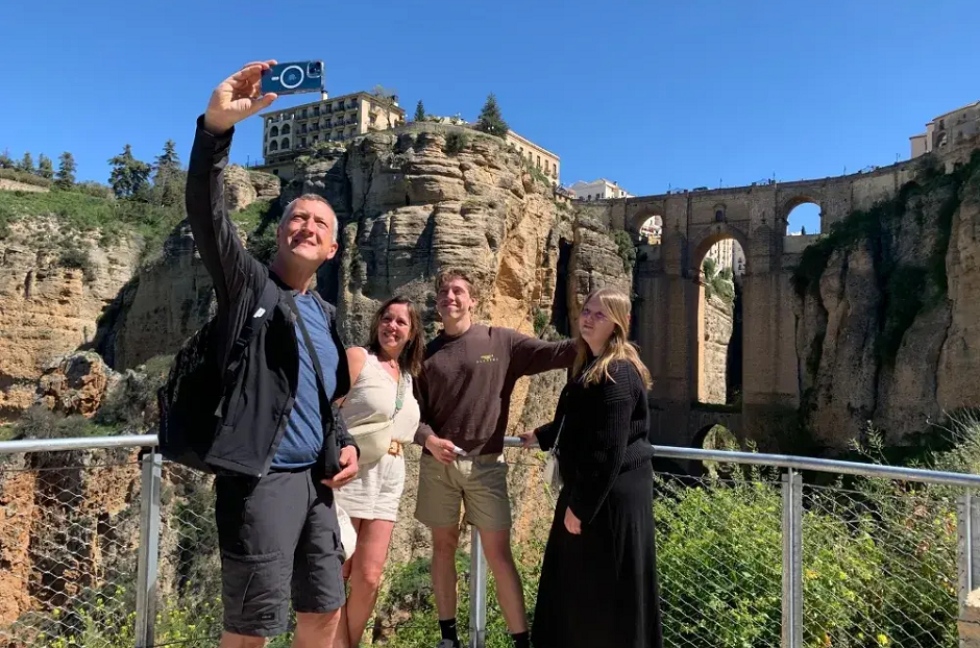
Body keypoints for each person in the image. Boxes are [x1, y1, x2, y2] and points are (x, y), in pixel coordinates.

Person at [186, 60, 360, 648]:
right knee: (251, 628)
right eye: (297, 217)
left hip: (316, 485)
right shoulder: (249, 288)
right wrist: (215, 130)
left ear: (333, 248)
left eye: (319, 222)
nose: (307, 226)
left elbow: (325, 397)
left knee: (325, 612)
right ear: (281, 231)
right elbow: (209, 219)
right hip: (260, 482)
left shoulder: (327, 315)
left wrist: (347, 442)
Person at [412, 269, 577, 648]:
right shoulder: (425, 354)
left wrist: (598, 335)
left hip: (486, 465)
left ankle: (522, 640)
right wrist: (429, 439)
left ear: (473, 300)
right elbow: (413, 414)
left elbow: (556, 353)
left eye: (458, 291)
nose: (450, 297)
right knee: (443, 548)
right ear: (438, 303)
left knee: (499, 555)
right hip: (438, 465)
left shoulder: (500, 341)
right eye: (444, 292)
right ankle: (449, 637)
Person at [521, 286, 663, 648]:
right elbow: (582, 422)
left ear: (618, 323)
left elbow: (607, 449)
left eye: (599, 314)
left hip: (606, 498)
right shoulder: (593, 364)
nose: (588, 318)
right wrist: (542, 435)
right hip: (599, 491)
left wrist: (580, 507)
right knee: (585, 586)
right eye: (586, 310)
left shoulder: (617, 373)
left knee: (600, 588)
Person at [332, 297, 425, 648]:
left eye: (402, 322)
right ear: (377, 323)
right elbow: (327, 408)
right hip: (353, 471)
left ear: (412, 332)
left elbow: (407, 426)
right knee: (338, 569)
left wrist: (432, 441)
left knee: (369, 577)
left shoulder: (407, 377)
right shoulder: (359, 358)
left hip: (390, 478)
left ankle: (347, 643)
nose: (393, 326)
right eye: (387, 318)